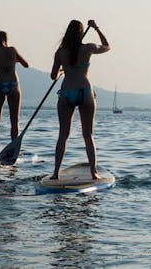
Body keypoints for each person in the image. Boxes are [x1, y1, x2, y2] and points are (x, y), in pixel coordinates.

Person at [50, 20, 110, 180]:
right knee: (88, 135)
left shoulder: (61, 52)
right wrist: (97, 28)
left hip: (67, 92)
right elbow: (107, 46)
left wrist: (62, 71)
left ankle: (56, 173)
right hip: (85, 92)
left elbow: (52, 76)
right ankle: (93, 173)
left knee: (63, 135)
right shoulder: (88, 48)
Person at [0, 31, 29, 155]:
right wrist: (14, 60)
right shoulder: (12, 50)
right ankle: (14, 150)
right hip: (12, 85)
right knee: (14, 120)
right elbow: (26, 65)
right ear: (6, 40)